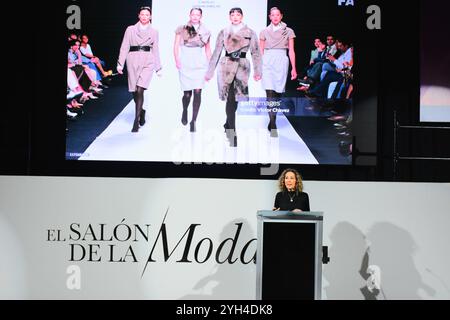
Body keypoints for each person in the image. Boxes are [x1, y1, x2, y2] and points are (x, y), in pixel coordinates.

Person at [205, 7, 262, 147]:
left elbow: (255, 52)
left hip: (242, 67)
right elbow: (217, 52)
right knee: (230, 98)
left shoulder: (250, 32)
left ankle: (227, 123)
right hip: (226, 66)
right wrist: (210, 71)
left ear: (242, 16)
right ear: (229, 17)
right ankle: (232, 132)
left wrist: (257, 70)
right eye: (232, 15)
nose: (235, 17)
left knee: (236, 99)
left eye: (238, 14)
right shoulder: (224, 32)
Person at [117, 6, 162, 133]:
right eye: (142, 14)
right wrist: (120, 63)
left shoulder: (154, 31)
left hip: (148, 60)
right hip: (132, 59)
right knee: (133, 90)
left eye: (147, 15)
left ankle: (136, 121)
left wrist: (158, 67)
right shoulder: (130, 29)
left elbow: (156, 50)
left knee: (140, 89)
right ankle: (141, 111)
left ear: (150, 17)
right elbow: (124, 46)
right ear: (139, 15)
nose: (144, 17)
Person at [260, 7, 297, 137]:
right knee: (269, 92)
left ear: (281, 16)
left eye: (277, 15)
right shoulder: (264, 31)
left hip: (282, 59)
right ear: (270, 17)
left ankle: (272, 119)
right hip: (267, 60)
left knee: (278, 93)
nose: (275, 17)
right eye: (273, 15)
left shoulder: (289, 31)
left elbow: (291, 50)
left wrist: (294, 68)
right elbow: (260, 51)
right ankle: (273, 123)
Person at [174, 8, 212, 132]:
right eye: (193, 14)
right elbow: (175, 46)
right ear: (189, 15)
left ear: (201, 16)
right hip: (185, 61)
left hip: (200, 63)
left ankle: (193, 120)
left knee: (197, 92)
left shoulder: (206, 31)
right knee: (187, 94)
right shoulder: (182, 28)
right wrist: (177, 60)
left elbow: (207, 49)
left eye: (198, 14)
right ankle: (185, 110)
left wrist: (210, 66)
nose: (195, 16)